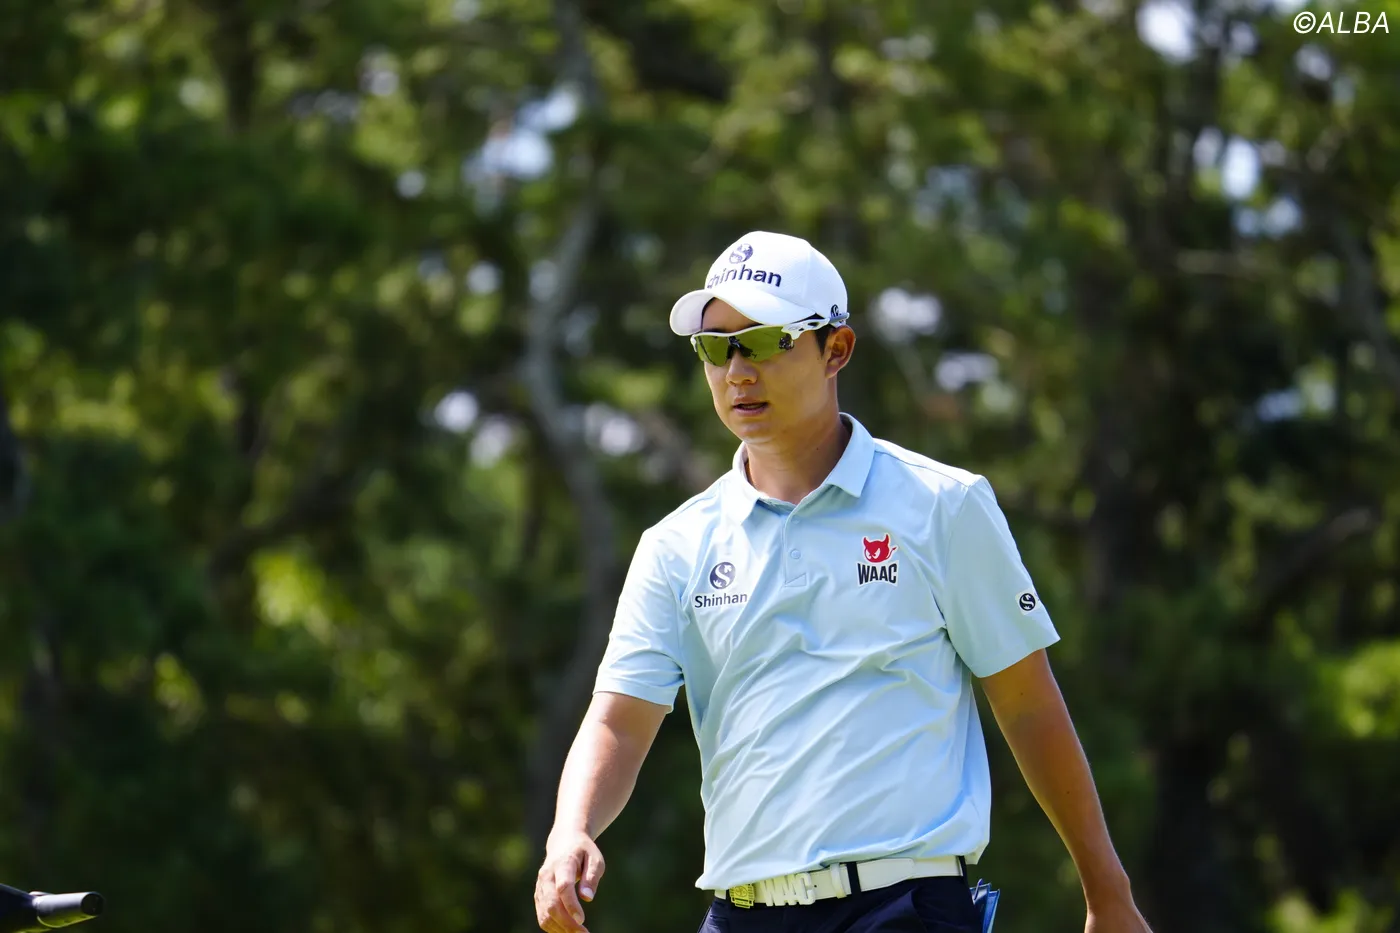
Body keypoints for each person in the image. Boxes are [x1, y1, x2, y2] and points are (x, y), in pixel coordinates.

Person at [533, 231, 1154, 933]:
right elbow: (619, 719)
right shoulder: (674, 545)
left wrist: (1106, 889)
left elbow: (1028, 703)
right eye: (715, 347)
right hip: (742, 913)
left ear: (837, 350)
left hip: (905, 906)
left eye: (762, 342)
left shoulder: (943, 505)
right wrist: (571, 829)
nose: (737, 371)